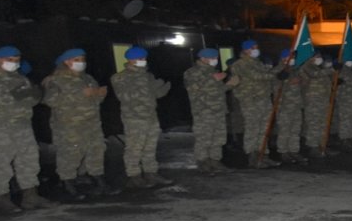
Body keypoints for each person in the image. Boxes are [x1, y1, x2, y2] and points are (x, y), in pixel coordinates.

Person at [0, 44, 57, 213]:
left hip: (22, 125)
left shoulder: (21, 78)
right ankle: (2, 199)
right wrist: (10, 97)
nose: (14, 63)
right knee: (0, 163)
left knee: (29, 160)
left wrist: (33, 95)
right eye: (10, 60)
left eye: (17, 60)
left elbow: (31, 99)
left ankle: (30, 196)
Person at [42, 48, 110, 198]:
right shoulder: (56, 80)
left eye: (83, 60)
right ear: (66, 62)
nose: (81, 63)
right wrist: (80, 95)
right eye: (77, 60)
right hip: (69, 125)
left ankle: (99, 182)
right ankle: (68, 184)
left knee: (96, 151)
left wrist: (99, 95)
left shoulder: (88, 78)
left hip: (92, 124)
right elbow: (50, 100)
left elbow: (94, 100)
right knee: (70, 154)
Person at [110, 46, 172, 188]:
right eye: (139, 59)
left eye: (144, 58)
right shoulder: (120, 77)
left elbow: (155, 95)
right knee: (135, 147)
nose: (143, 61)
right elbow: (124, 97)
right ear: (130, 60)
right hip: (134, 118)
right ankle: (134, 176)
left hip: (151, 116)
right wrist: (144, 87)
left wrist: (163, 88)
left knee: (150, 147)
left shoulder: (147, 76)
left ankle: (151, 174)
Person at [183, 47, 236, 174]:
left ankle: (215, 161)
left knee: (218, 138)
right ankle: (203, 162)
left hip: (218, 110)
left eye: (215, 58)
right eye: (212, 58)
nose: (215, 60)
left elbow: (217, 91)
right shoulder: (192, 72)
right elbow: (193, 88)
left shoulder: (213, 71)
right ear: (203, 59)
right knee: (204, 138)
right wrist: (213, 79)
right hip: (203, 111)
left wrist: (230, 85)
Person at [227, 39, 278, 168]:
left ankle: (263, 155)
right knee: (253, 128)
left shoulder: (258, 63)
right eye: (252, 48)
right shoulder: (241, 64)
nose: (256, 50)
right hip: (250, 100)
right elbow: (258, 76)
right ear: (245, 50)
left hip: (263, 99)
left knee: (264, 129)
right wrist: (278, 70)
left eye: (256, 47)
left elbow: (266, 76)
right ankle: (253, 156)